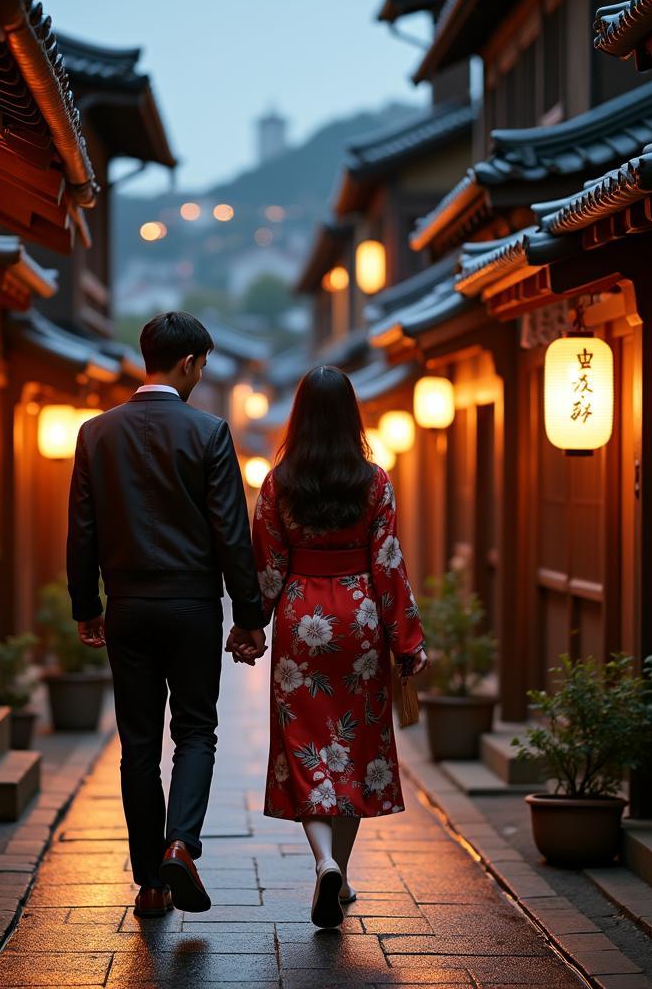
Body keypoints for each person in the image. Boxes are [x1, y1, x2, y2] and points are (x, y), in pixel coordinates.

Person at [66, 311, 266, 919]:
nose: (202, 375)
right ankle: (181, 842)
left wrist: (86, 605)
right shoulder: (208, 432)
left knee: (137, 745)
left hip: (127, 604)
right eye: (202, 366)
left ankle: (150, 884)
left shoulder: (96, 433)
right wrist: (249, 614)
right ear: (188, 363)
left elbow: (82, 529)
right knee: (196, 731)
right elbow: (231, 532)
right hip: (193, 606)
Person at [228, 365, 429, 929]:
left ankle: (322, 864)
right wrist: (407, 640)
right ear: (350, 416)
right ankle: (340, 868)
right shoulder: (375, 481)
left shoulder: (279, 483)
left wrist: (251, 626)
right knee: (353, 747)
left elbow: (265, 563)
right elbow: (389, 566)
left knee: (307, 745)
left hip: (302, 622)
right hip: (360, 617)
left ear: (298, 417)